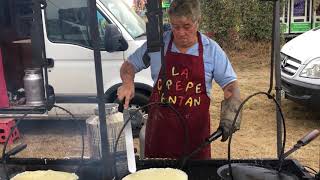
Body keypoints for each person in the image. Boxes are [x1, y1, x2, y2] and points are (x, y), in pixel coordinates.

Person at [117, 0, 241, 160]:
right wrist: (128, 83)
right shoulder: (157, 45)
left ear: (198, 21)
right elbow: (129, 66)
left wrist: (231, 113)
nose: (181, 32)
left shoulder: (211, 50)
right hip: (160, 134)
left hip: (195, 140)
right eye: (175, 26)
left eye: (187, 26)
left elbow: (231, 86)